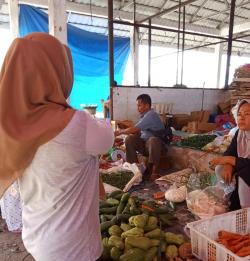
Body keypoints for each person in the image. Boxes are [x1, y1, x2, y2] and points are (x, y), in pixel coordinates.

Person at [0, 32, 114, 261]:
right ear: (58, 73)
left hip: (38, 241)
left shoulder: (8, 127)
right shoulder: (76, 124)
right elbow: (108, 138)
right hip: (77, 248)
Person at [115, 94, 166, 180]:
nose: (138, 108)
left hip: (157, 147)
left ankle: (154, 171)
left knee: (153, 140)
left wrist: (119, 132)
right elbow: (138, 132)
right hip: (146, 145)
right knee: (129, 139)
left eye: (139, 105)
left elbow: (135, 128)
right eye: (137, 106)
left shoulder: (151, 115)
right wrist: (129, 134)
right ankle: (134, 168)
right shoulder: (144, 116)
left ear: (147, 105)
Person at [210, 99, 250, 210]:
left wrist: (230, 160)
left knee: (243, 173)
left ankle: (244, 207)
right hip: (243, 166)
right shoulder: (240, 133)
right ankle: (231, 198)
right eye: (239, 114)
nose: (241, 118)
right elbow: (231, 150)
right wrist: (228, 164)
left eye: (247, 114)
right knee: (220, 168)